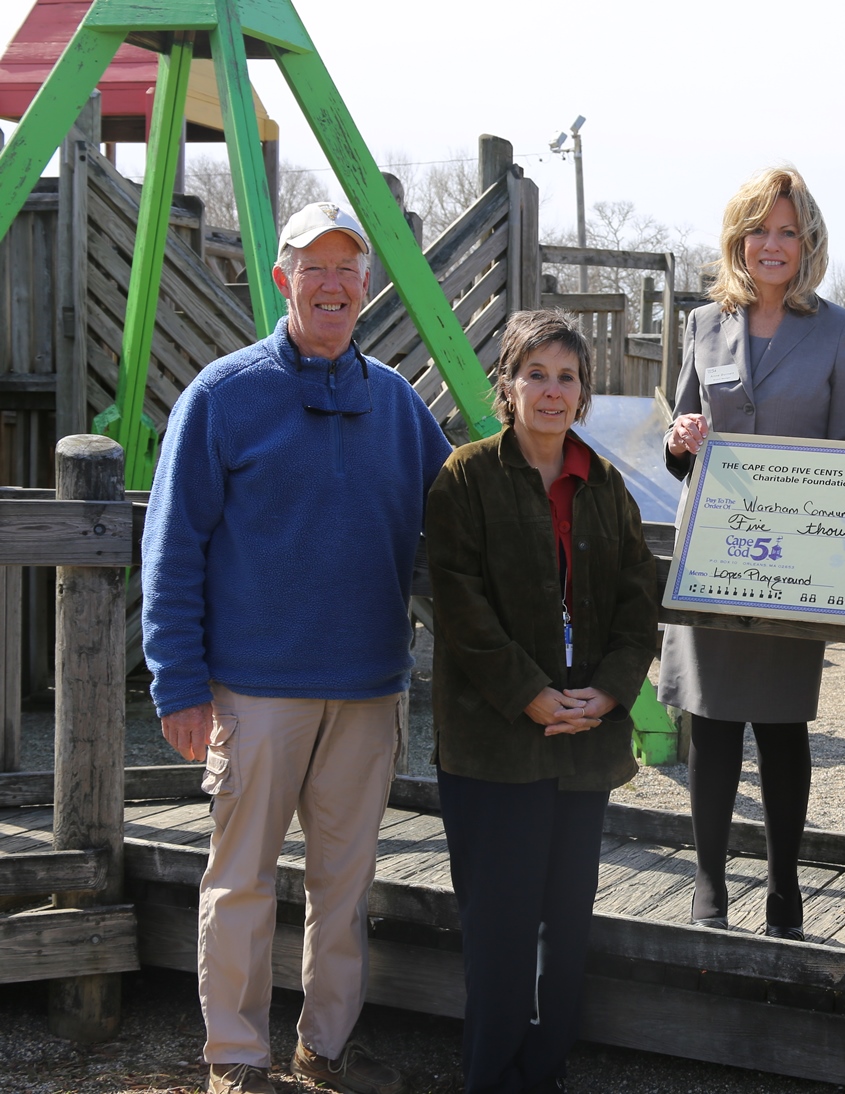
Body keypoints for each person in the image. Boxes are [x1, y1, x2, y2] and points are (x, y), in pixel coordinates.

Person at [143, 203, 452, 1094]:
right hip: (253, 692)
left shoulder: (395, 404)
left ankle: (325, 1051)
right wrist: (178, 685)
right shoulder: (224, 395)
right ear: (282, 281)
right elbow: (173, 546)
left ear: (367, 287)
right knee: (239, 883)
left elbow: (469, 510)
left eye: (346, 269)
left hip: (368, 691)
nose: (331, 284)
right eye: (311, 267)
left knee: (343, 888)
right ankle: (236, 1060)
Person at [425, 310, 657, 1094]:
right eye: (536, 374)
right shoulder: (466, 478)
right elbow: (458, 605)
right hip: (494, 748)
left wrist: (612, 692)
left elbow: (637, 605)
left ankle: (546, 1072)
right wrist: (528, 695)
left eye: (566, 377)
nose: (552, 391)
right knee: (497, 932)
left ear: (584, 393)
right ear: (508, 386)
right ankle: (490, 1079)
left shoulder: (605, 485)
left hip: (583, 744)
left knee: (567, 930)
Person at [659, 166, 845, 940]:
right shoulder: (703, 323)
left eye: (787, 231)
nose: (772, 245)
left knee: (782, 724)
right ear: (738, 240)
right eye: (759, 230)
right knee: (711, 725)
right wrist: (680, 439)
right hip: (710, 546)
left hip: (793, 553)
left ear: (807, 242)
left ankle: (785, 892)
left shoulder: (841, 330)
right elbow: (679, 438)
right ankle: (707, 888)